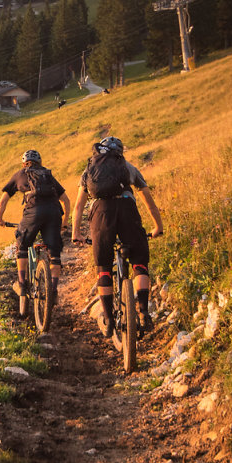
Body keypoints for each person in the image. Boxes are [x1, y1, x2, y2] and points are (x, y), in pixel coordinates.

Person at [71, 136, 164, 333]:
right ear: (120, 152)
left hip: (101, 213)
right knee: (139, 261)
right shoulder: (128, 167)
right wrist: (158, 227)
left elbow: (79, 206)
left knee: (103, 266)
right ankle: (143, 312)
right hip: (127, 211)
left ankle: (108, 318)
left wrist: (76, 233)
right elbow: (148, 201)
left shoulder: (89, 170)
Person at [0, 149, 72, 316]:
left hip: (33, 213)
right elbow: (66, 200)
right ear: (40, 162)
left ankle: (22, 284)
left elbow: (4, 199)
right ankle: (54, 291)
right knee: (55, 254)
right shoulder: (47, 175)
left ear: (24, 163)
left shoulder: (20, 174)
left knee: (22, 246)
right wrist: (64, 224)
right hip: (54, 213)